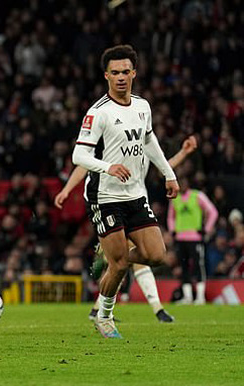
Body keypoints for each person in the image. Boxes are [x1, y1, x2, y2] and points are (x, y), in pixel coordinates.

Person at [71, 45, 179, 338]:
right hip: (104, 197)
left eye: (125, 72)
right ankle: (104, 316)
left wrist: (169, 174)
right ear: (106, 75)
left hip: (134, 193)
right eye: (115, 72)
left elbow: (149, 140)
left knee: (157, 255)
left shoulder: (143, 106)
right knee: (118, 266)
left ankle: (111, 253)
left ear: (134, 73)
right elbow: (78, 157)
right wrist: (108, 167)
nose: (120, 77)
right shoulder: (99, 113)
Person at [56, 136, 198, 323]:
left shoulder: (141, 139)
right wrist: (67, 189)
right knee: (129, 262)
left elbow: (163, 165)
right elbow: (84, 163)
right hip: (111, 203)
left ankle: (99, 305)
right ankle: (156, 309)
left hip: (137, 203)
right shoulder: (110, 141)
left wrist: (183, 153)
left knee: (138, 258)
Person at [167, 175, 218, 305]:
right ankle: (188, 297)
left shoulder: (197, 196)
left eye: (184, 183)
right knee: (184, 267)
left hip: (195, 238)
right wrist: (173, 230)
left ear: (188, 184)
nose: (182, 186)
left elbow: (213, 212)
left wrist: (206, 229)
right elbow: (171, 217)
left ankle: (200, 297)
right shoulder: (175, 198)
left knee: (198, 266)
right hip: (180, 238)